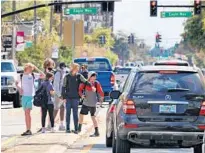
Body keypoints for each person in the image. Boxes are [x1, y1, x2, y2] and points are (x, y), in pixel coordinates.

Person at [61, 63, 92, 134]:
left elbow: (86, 82)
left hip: (76, 98)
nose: (78, 69)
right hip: (68, 98)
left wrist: (91, 85)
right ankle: (67, 128)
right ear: (73, 68)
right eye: (77, 68)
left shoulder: (79, 76)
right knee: (68, 113)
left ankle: (76, 129)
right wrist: (64, 97)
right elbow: (63, 87)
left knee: (75, 114)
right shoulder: (67, 76)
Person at [16, 63, 44, 136]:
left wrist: (37, 68)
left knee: (28, 112)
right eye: (30, 68)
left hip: (31, 96)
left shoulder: (33, 75)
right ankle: (28, 129)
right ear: (27, 68)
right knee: (26, 114)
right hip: (24, 97)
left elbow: (43, 75)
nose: (32, 70)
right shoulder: (21, 76)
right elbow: (16, 83)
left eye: (32, 68)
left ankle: (29, 130)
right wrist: (19, 89)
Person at [78, 71, 104, 137]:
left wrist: (101, 99)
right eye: (93, 76)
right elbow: (80, 90)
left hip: (93, 103)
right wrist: (81, 95)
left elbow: (100, 92)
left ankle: (97, 132)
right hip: (85, 102)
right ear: (89, 77)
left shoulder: (96, 83)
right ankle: (79, 129)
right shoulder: (85, 83)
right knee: (81, 115)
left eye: (95, 76)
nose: (94, 77)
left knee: (93, 117)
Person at [37, 58, 56, 132]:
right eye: (47, 65)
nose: (49, 67)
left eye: (50, 65)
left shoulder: (53, 72)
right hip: (44, 95)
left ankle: (50, 125)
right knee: (43, 112)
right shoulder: (42, 73)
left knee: (51, 112)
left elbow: (54, 82)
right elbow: (40, 84)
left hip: (51, 94)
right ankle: (44, 126)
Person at [53, 62, 67, 131]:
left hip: (63, 94)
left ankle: (61, 124)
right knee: (56, 108)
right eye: (63, 66)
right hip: (58, 94)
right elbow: (56, 85)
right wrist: (59, 95)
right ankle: (51, 124)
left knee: (62, 108)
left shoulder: (64, 73)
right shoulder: (58, 73)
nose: (64, 68)